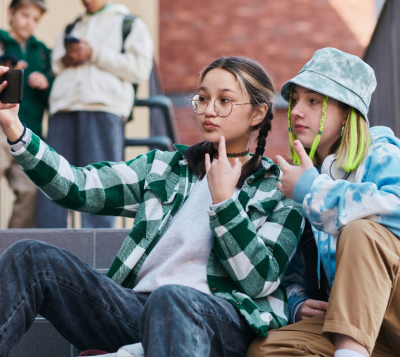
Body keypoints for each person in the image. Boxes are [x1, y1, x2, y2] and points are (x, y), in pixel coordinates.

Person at [0, 56, 304, 357]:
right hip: (138, 312)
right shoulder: (164, 168)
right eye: (202, 98)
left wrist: (225, 202)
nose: (208, 110)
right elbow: (77, 188)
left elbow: (258, 280)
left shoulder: (280, 189)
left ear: (258, 113)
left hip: (219, 320)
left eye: (225, 101)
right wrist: (14, 127)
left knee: (171, 298)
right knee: (28, 256)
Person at [247, 48, 400, 357]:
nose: (297, 111)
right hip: (364, 329)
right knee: (265, 348)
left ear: (347, 112)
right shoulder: (304, 180)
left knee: (360, 231)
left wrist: (314, 189)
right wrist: (298, 303)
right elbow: (294, 272)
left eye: (314, 101)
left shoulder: (382, 154)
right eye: (295, 100)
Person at [36, 0, 154, 229]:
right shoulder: (70, 27)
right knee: (52, 182)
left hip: (103, 110)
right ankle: (47, 246)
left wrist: (95, 54)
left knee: (100, 185)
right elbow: (55, 65)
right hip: (63, 110)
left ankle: (97, 255)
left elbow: (139, 68)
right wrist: (70, 58)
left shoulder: (130, 24)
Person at [0, 0, 52, 229]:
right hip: (0, 128)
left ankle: (9, 251)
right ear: (11, 14)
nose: (29, 22)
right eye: (24, 15)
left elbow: (54, 94)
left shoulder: (42, 52)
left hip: (27, 133)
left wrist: (45, 83)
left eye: (35, 18)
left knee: (29, 191)